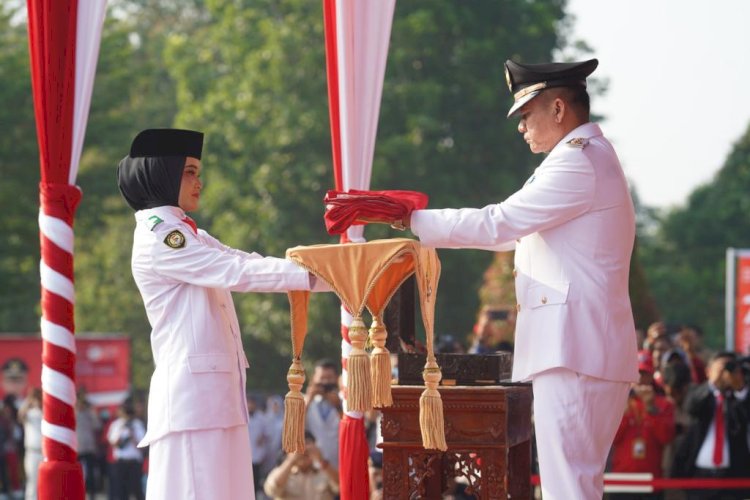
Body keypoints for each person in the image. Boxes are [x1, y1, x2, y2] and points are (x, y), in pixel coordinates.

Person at [396, 58, 638, 499]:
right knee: (574, 484)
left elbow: (500, 223)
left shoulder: (576, 163)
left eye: (526, 115)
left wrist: (410, 218)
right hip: (582, 348)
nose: (521, 127)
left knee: (569, 488)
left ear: (559, 109)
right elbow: (509, 232)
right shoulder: (586, 159)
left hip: (574, 351)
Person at [116, 128, 329, 500]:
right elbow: (237, 273)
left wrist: (335, 274)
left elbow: (244, 260)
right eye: (189, 172)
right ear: (163, 173)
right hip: (195, 402)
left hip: (215, 396)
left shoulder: (186, 231)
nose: (200, 182)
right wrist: (323, 275)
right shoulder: (161, 237)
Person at [670, 352, 750, 500]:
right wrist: (713, 385)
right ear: (708, 371)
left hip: (732, 477)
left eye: (730, 368)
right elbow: (692, 407)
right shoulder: (699, 392)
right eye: (721, 367)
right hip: (700, 475)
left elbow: (744, 417)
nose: (726, 373)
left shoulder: (740, 398)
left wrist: (739, 388)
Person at [610, 352, 675, 500]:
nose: (639, 379)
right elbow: (611, 439)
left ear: (651, 377)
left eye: (643, 373)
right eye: (635, 373)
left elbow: (666, 438)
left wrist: (651, 408)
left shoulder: (664, 404)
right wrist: (625, 410)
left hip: (651, 479)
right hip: (621, 479)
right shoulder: (619, 402)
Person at [263, 432, 338, 500]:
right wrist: (291, 460)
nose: (303, 451)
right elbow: (272, 490)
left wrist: (321, 460)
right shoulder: (281, 472)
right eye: (297, 446)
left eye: (307, 444)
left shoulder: (324, 472)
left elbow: (341, 487)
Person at [304, 359, 342, 471]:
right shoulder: (305, 401)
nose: (325, 383)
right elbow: (296, 427)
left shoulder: (344, 401)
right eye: (321, 378)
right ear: (314, 379)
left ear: (336, 378)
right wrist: (309, 399)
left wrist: (338, 406)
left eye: (329, 378)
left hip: (339, 463)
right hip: (314, 467)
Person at [108, 400, 146, 500]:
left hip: (134, 463)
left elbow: (141, 446)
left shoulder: (137, 424)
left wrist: (131, 433)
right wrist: (122, 431)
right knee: (121, 491)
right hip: (121, 462)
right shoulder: (116, 425)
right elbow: (113, 443)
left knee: (137, 490)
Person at [18, 388, 43, 500]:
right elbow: (20, 416)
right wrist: (29, 400)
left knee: (44, 482)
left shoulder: (44, 411)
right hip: (32, 452)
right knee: (32, 482)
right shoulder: (28, 412)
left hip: (44, 452)